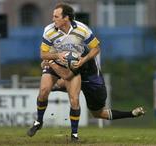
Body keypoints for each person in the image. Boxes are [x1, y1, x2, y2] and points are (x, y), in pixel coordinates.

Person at [27, 3, 101, 141]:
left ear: (66, 18)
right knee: (43, 90)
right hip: (54, 63)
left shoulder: (82, 29)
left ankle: (74, 135)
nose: (53, 18)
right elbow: (43, 54)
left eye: (56, 16)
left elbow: (96, 48)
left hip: (73, 67)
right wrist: (56, 56)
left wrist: (83, 60)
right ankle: (39, 121)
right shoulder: (49, 30)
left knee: (74, 100)